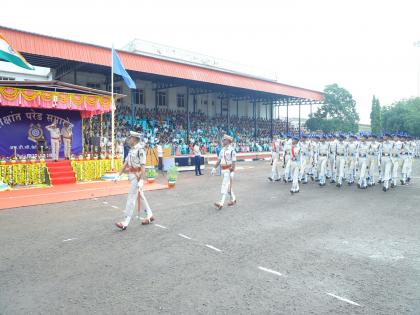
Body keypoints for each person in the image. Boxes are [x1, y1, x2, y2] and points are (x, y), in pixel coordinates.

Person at [115, 131, 154, 230]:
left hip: (137, 176)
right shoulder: (132, 150)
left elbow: (143, 168)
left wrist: (140, 180)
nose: (129, 140)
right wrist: (118, 174)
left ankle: (125, 222)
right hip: (132, 176)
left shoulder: (140, 150)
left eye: (131, 138)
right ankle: (149, 215)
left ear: (135, 139)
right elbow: (126, 163)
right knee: (140, 196)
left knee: (131, 198)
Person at [211, 135, 237, 209]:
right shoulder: (222, 150)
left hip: (229, 170)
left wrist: (232, 171)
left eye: (224, 140)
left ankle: (221, 203)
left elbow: (234, 162)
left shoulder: (232, 150)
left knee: (224, 185)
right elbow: (219, 160)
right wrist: (214, 168)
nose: (223, 141)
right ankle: (234, 199)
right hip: (223, 170)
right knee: (228, 187)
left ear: (228, 141)